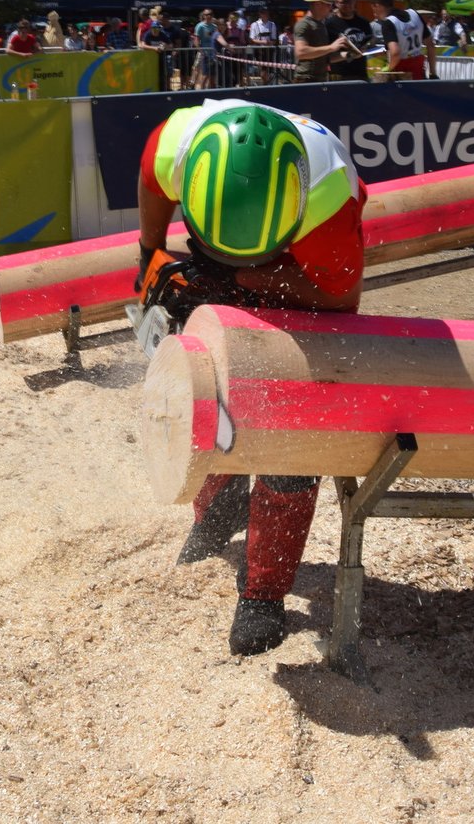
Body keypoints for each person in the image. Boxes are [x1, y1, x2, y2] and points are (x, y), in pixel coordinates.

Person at [134, 101, 365, 656]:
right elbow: (152, 193)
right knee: (203, 383)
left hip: (299, 269)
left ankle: (263, 591)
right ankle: (216, 503)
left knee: (295, 422)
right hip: (231, 248)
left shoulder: (329, 204)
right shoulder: (173, 146)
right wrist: (151, 253)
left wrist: (241, 279)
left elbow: (339, 299)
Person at [290, 0, 351, 84]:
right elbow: (301, 52)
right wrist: (331, 47)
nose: (331, 7)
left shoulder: (321, 24)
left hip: (318, 81)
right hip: (305, 80)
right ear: (318, 4)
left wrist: (349, 54)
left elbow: (325, 57)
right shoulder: (304, 24)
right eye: (329, 4)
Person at [368, 0, 429, 79]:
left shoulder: (388, 23)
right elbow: (430, 45)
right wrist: (433, 73)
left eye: (374, 10)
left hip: (402, 73)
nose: (374, 14)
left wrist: (388, 68)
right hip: (419, 70)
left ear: (377, 5)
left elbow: (395, 53)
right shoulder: (414, 14)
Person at [325, 0, 372, 81]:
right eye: (344, 2)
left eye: (350, 1)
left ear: (354, 0)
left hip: (361, 75)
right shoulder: (329, 24)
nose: (348, 5)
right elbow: (326, 56)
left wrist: (367, 46)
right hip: (339, 77)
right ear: (336, 3)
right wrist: (349, 54)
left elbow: (371, 40)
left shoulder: (363, 22)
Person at [191, 9, 226, 89]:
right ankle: (196, 89)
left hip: (213, 54)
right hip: (203, 54)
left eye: (210, 14)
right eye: (206, 14)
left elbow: (218, 38)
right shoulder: (200, 26)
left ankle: (210, 92)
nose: (208, 16)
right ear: (203, 16)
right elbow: (196, 40)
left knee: (212, 75)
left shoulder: (214, 26)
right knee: (202, 73)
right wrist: (201, 51)